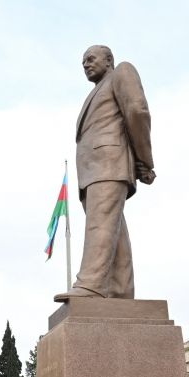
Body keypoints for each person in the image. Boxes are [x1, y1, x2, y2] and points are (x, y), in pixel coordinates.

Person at [55, 45, 156, 302]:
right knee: (114, 232)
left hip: (109, 164)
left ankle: (90, 286)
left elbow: (137, 111)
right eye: (82, 63)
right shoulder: (97, 91)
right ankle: (121, 292)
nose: (86, 65)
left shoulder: (122, 72)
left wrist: (144, 160)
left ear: (109, 60)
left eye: (91, 59)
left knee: (100, 225)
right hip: (93, 171)